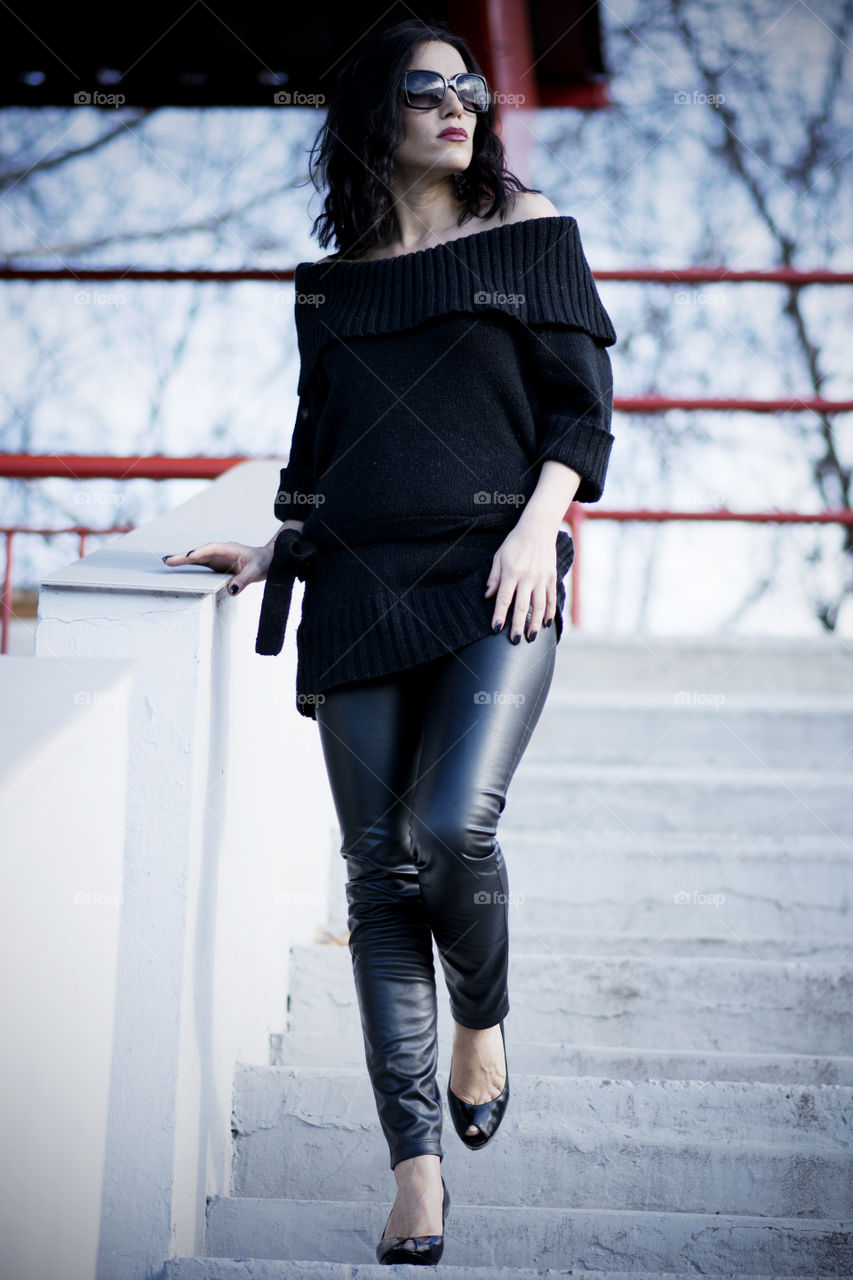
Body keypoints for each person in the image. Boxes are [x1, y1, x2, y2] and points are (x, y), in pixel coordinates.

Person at [163, 17, 616, 1267]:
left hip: (494, 570)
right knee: (374, 873)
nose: (458, 104)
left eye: (468, 86)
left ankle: (486, 1018)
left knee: (447, 827)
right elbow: (321, 443)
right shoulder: (333, 284)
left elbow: (584, 412)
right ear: (375, 113)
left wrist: (539, 531)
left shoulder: (532, 231)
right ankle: (414, 1167)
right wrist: (273, 550)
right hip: (356, 584)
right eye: (428, 88)